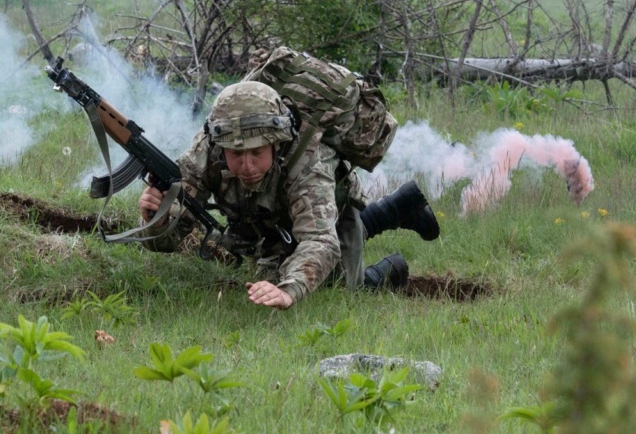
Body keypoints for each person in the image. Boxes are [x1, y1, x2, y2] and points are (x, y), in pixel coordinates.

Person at [137, 80, 440, 308]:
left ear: (277, 143)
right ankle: (402, 205)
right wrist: (156, 218)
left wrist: (289, 290)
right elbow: (167, 240)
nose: (246, 165)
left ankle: (393, 258)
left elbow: (320, 240)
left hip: (331, 216)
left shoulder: (308, 162)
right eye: (236, 154)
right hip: (270, 223)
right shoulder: (206, 151)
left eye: (257, 152)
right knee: (276, 273)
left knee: (336, 292)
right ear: (220, 146)